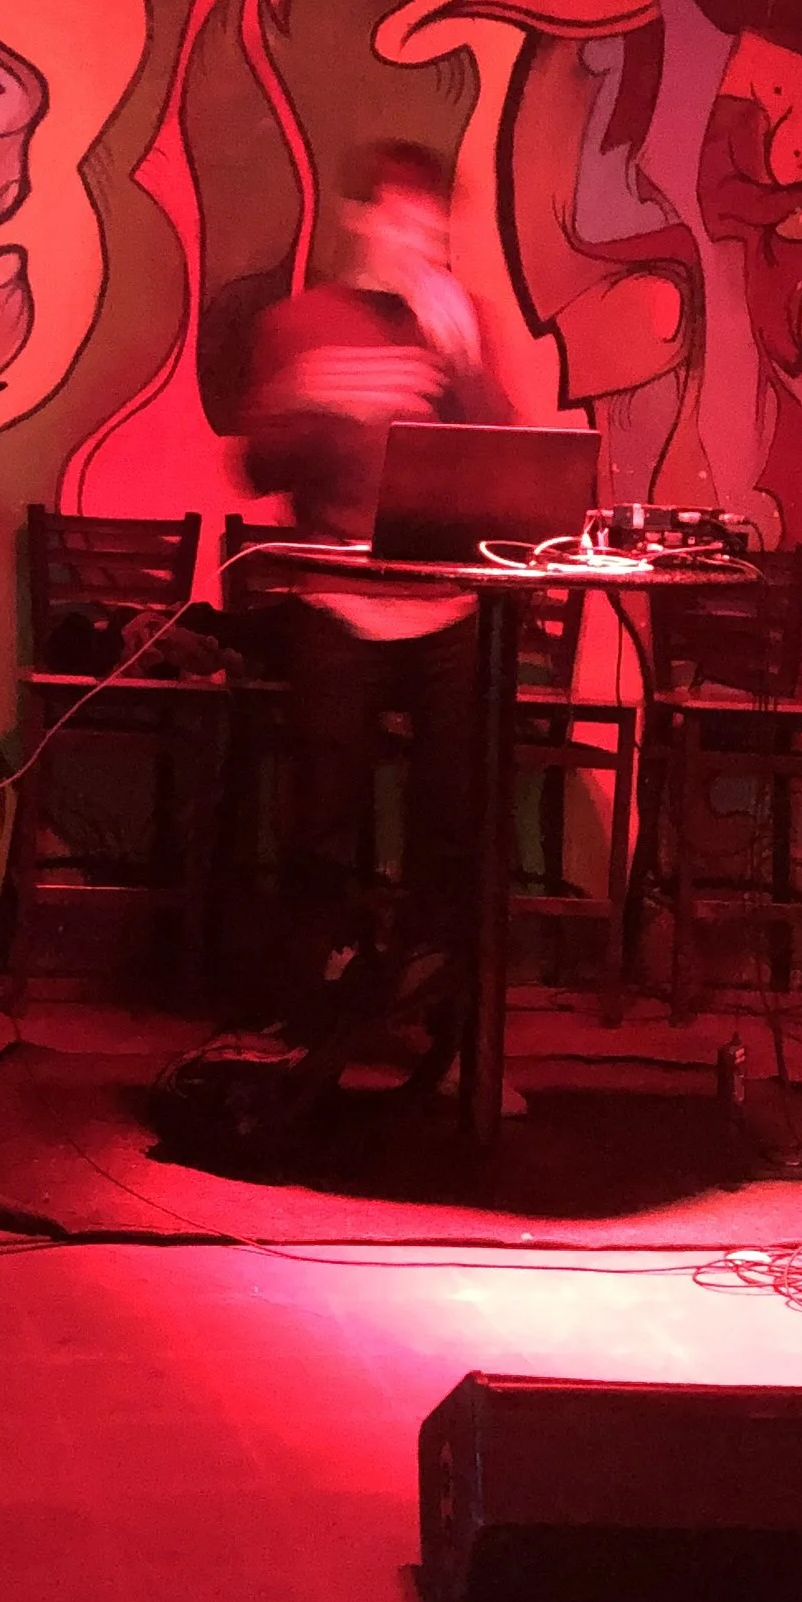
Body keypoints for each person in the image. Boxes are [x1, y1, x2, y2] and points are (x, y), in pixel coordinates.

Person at [241, 140, 513, 1024]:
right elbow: (257, 467)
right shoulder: (301, 323)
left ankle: (435, 1004)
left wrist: (462, 356)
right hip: (337, 597)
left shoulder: (458, 322)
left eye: (433, 226)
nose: (420, 240)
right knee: (323, 810)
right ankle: (307, 1006)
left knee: (455, 813)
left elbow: (504, 460)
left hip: (446, 601)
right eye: (403, 219)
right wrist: (320, 405)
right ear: (360, 219)